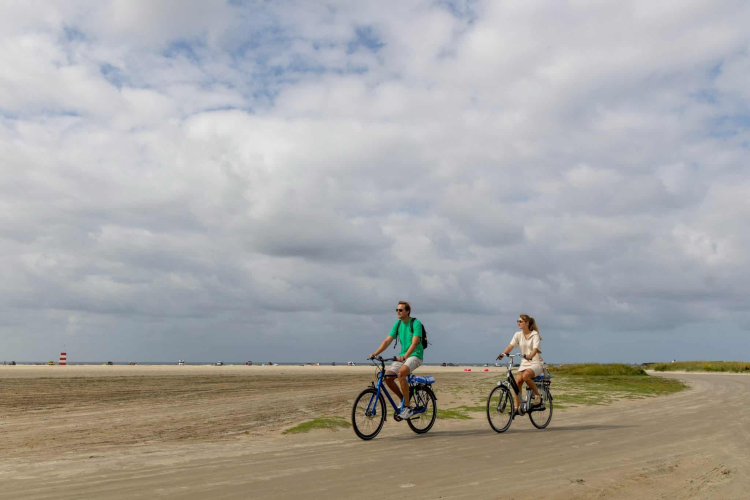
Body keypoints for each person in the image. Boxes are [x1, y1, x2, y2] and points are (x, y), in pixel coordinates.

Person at [368, 301, 424, 419]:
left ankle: (408, 408)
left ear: (407, 311)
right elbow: (387, 341)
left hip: (415, 355)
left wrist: (405, 356)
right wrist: (375, 353)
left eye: (401, 310)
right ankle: (403, 398)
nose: (398, 312)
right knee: (387, 378)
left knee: (401, 374)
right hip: (403, 356)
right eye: (397, 310)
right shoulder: (398, 324)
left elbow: (414, 343)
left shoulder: (416, 323)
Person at [497, 314, 545, 413]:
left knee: (526, 376)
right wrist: (503, 353)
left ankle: (537, 395)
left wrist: (530, 355)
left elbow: (535, 348)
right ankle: (517, 407)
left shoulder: (534, 334)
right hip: (524, 363)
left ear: (527, 323)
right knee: (518, 381)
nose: (518, 323)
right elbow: (511, 346)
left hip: (535, 362)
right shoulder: (518, 335)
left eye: (520, 321)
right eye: (517, 321)